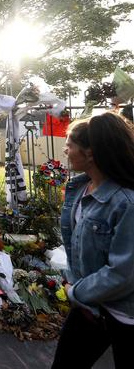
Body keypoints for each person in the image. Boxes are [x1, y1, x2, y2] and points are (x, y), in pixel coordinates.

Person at [52, 111, 134, 369]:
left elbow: (123, 272)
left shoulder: (126, 203)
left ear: (90, 153)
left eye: (70, 144)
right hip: (88, 306)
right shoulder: (80, 189)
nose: (65, 150)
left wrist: (76, 292)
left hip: (123, 314)